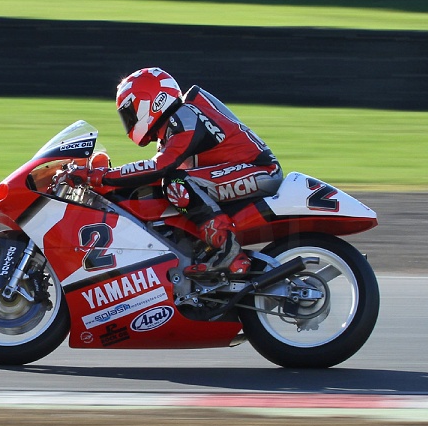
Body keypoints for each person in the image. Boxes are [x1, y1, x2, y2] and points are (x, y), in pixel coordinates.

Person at [65, 67, 283, 276]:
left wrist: (102, 176)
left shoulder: (186, 115)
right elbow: (152, 171)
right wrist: (108, 176)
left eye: (130, 113)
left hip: (259, 171)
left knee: (176, 184)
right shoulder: (172, 129)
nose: (129, 121)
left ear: (150, 102)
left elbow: (160, 167)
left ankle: (229, 254)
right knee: (163, 189)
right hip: (241, 171)